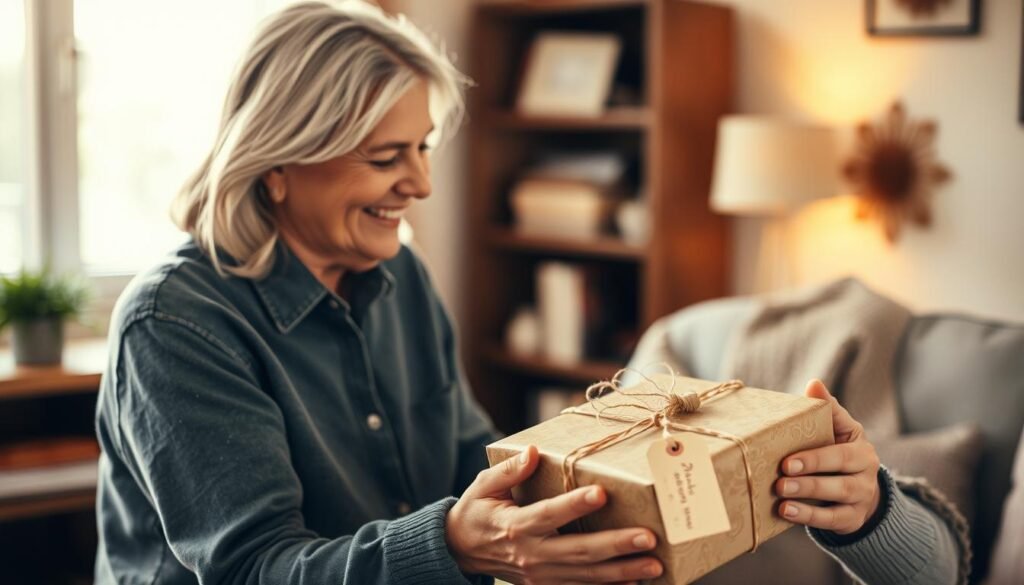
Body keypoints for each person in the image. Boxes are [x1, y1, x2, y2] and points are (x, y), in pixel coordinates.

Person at [93, 2, 960, 584]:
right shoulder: (177, 322)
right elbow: (255, 568)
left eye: (424, 147)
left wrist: (631, 477)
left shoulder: (399, 278)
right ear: (278, 161)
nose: (422, 185)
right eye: (386, 157)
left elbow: (482, 465)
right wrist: (454, 545)